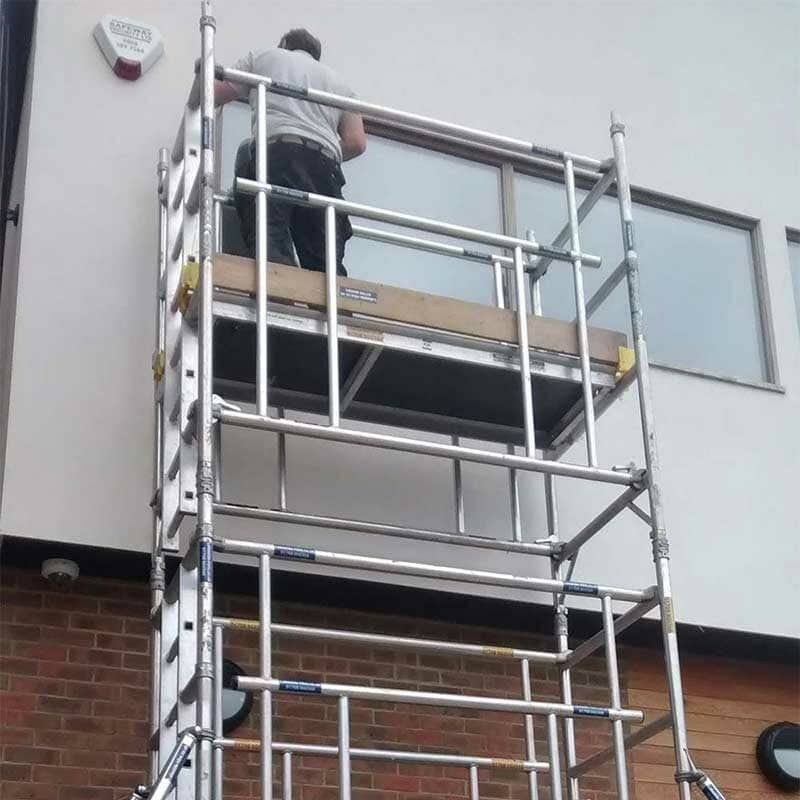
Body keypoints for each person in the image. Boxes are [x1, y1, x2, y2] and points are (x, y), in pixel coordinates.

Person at [215, 28, 366, 276]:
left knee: (270, 234)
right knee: (323, 259)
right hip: (325, 166)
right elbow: (357, 142)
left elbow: (214, 93)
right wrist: (321, 151)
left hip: (277, 155)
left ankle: (276, 277)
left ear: (284, 43)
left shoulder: (265, 56)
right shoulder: (339, 83)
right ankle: (328, 292)